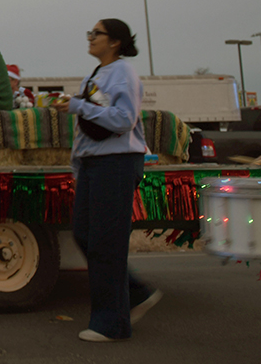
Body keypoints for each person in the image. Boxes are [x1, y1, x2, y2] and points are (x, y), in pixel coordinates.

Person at [67, 18, 161, 342]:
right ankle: (135, 293)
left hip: (117, 162)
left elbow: (123, 119)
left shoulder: (124, 72)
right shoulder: (95, 74)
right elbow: (87, 126)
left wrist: (79, 105)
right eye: (90, 32)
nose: (90, 38)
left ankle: (112, 324)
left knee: (106, 242)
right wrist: (78, 165)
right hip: (94, 164)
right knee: (84, 233)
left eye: (97, 33)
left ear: (115, 42)